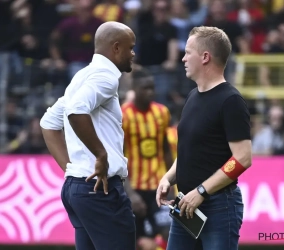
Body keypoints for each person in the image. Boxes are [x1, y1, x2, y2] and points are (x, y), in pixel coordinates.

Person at [40, 21, 136, 250]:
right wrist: (100, 155)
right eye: (130, 47)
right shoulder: (106, 77)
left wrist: (72, 169)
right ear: (115, 48)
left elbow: (49, 123)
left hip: (78, 188)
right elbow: (76, 111)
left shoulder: (82, 75)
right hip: (100, 191)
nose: (133, 53)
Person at [156, 26, 252, 250]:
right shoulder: (192, 96)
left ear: (205, 57)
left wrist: (201, 191)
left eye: (188, 52)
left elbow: (242, 158)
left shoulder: (231, 101)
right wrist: (168, 178)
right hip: (185, 206)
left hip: (219, 207)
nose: (183, 58)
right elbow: (190, 150)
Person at [121, 68, 173, 249]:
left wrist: (171, 184)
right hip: (134, 188)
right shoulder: (123, 115)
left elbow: (166, 150)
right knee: (137, 242)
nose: (150, 92)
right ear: (134, 87)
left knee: (169, 233)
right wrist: (131, 194)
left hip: (159, 187)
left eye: (152, 88)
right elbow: (118, 158)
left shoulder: (162, 113)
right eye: (145, 88)